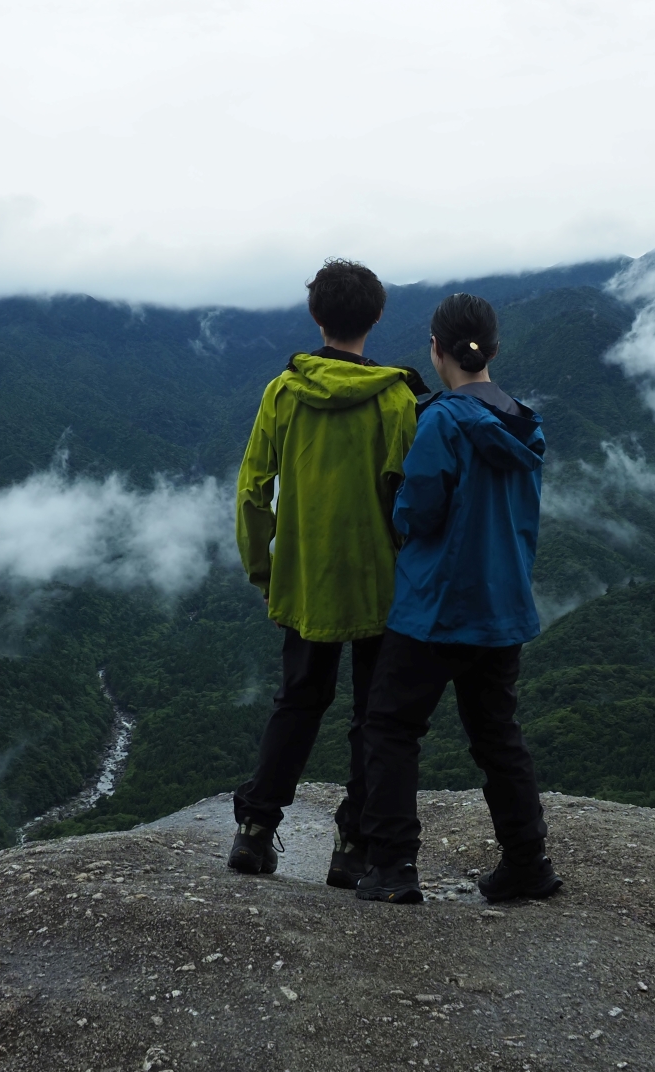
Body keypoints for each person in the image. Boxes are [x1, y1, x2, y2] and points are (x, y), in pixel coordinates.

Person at [353, 292, 559, 906]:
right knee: (497, 736)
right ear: (493, 351)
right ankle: (527, 863)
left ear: (436, 349)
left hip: (436, 605)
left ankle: (391, 868)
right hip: (503, 609)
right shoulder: (525, 422)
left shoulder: (441, 420)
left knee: (390, 726)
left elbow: (419, 510)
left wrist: (395, 501)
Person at [228, 259, 424, 887]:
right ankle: (353, 846)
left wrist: (266, 570)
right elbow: (408, 501)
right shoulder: (395, 399)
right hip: (379, 583)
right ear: (377, 317)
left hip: (306, 576)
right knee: (374, 714)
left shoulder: (283, 393)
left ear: (316, 315)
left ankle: (256, 830)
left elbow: (253, 491)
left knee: (298, 701)